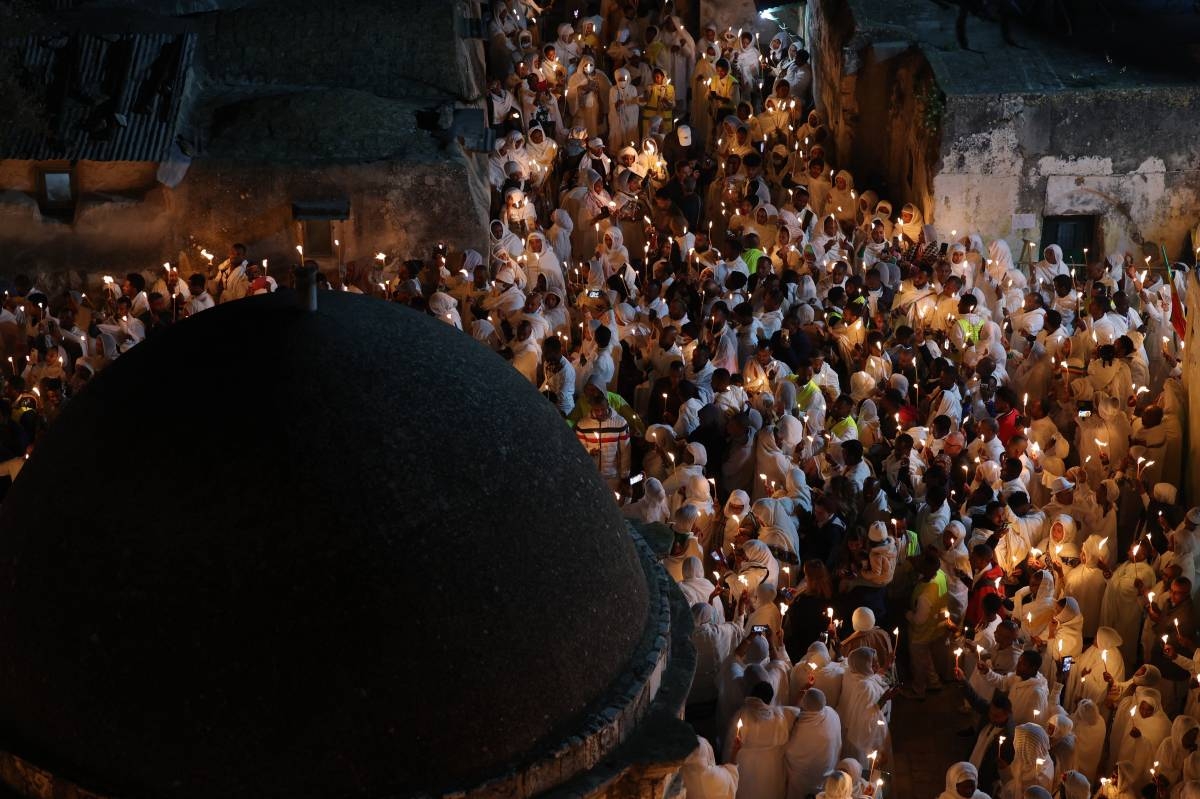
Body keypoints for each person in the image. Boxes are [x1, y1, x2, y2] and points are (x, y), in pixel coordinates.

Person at [784, 688, 840, 799]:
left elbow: (790, 753)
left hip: (805, 777)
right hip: (827, 769)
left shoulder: (803, 728)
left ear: (805, 704)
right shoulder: (832, 713)